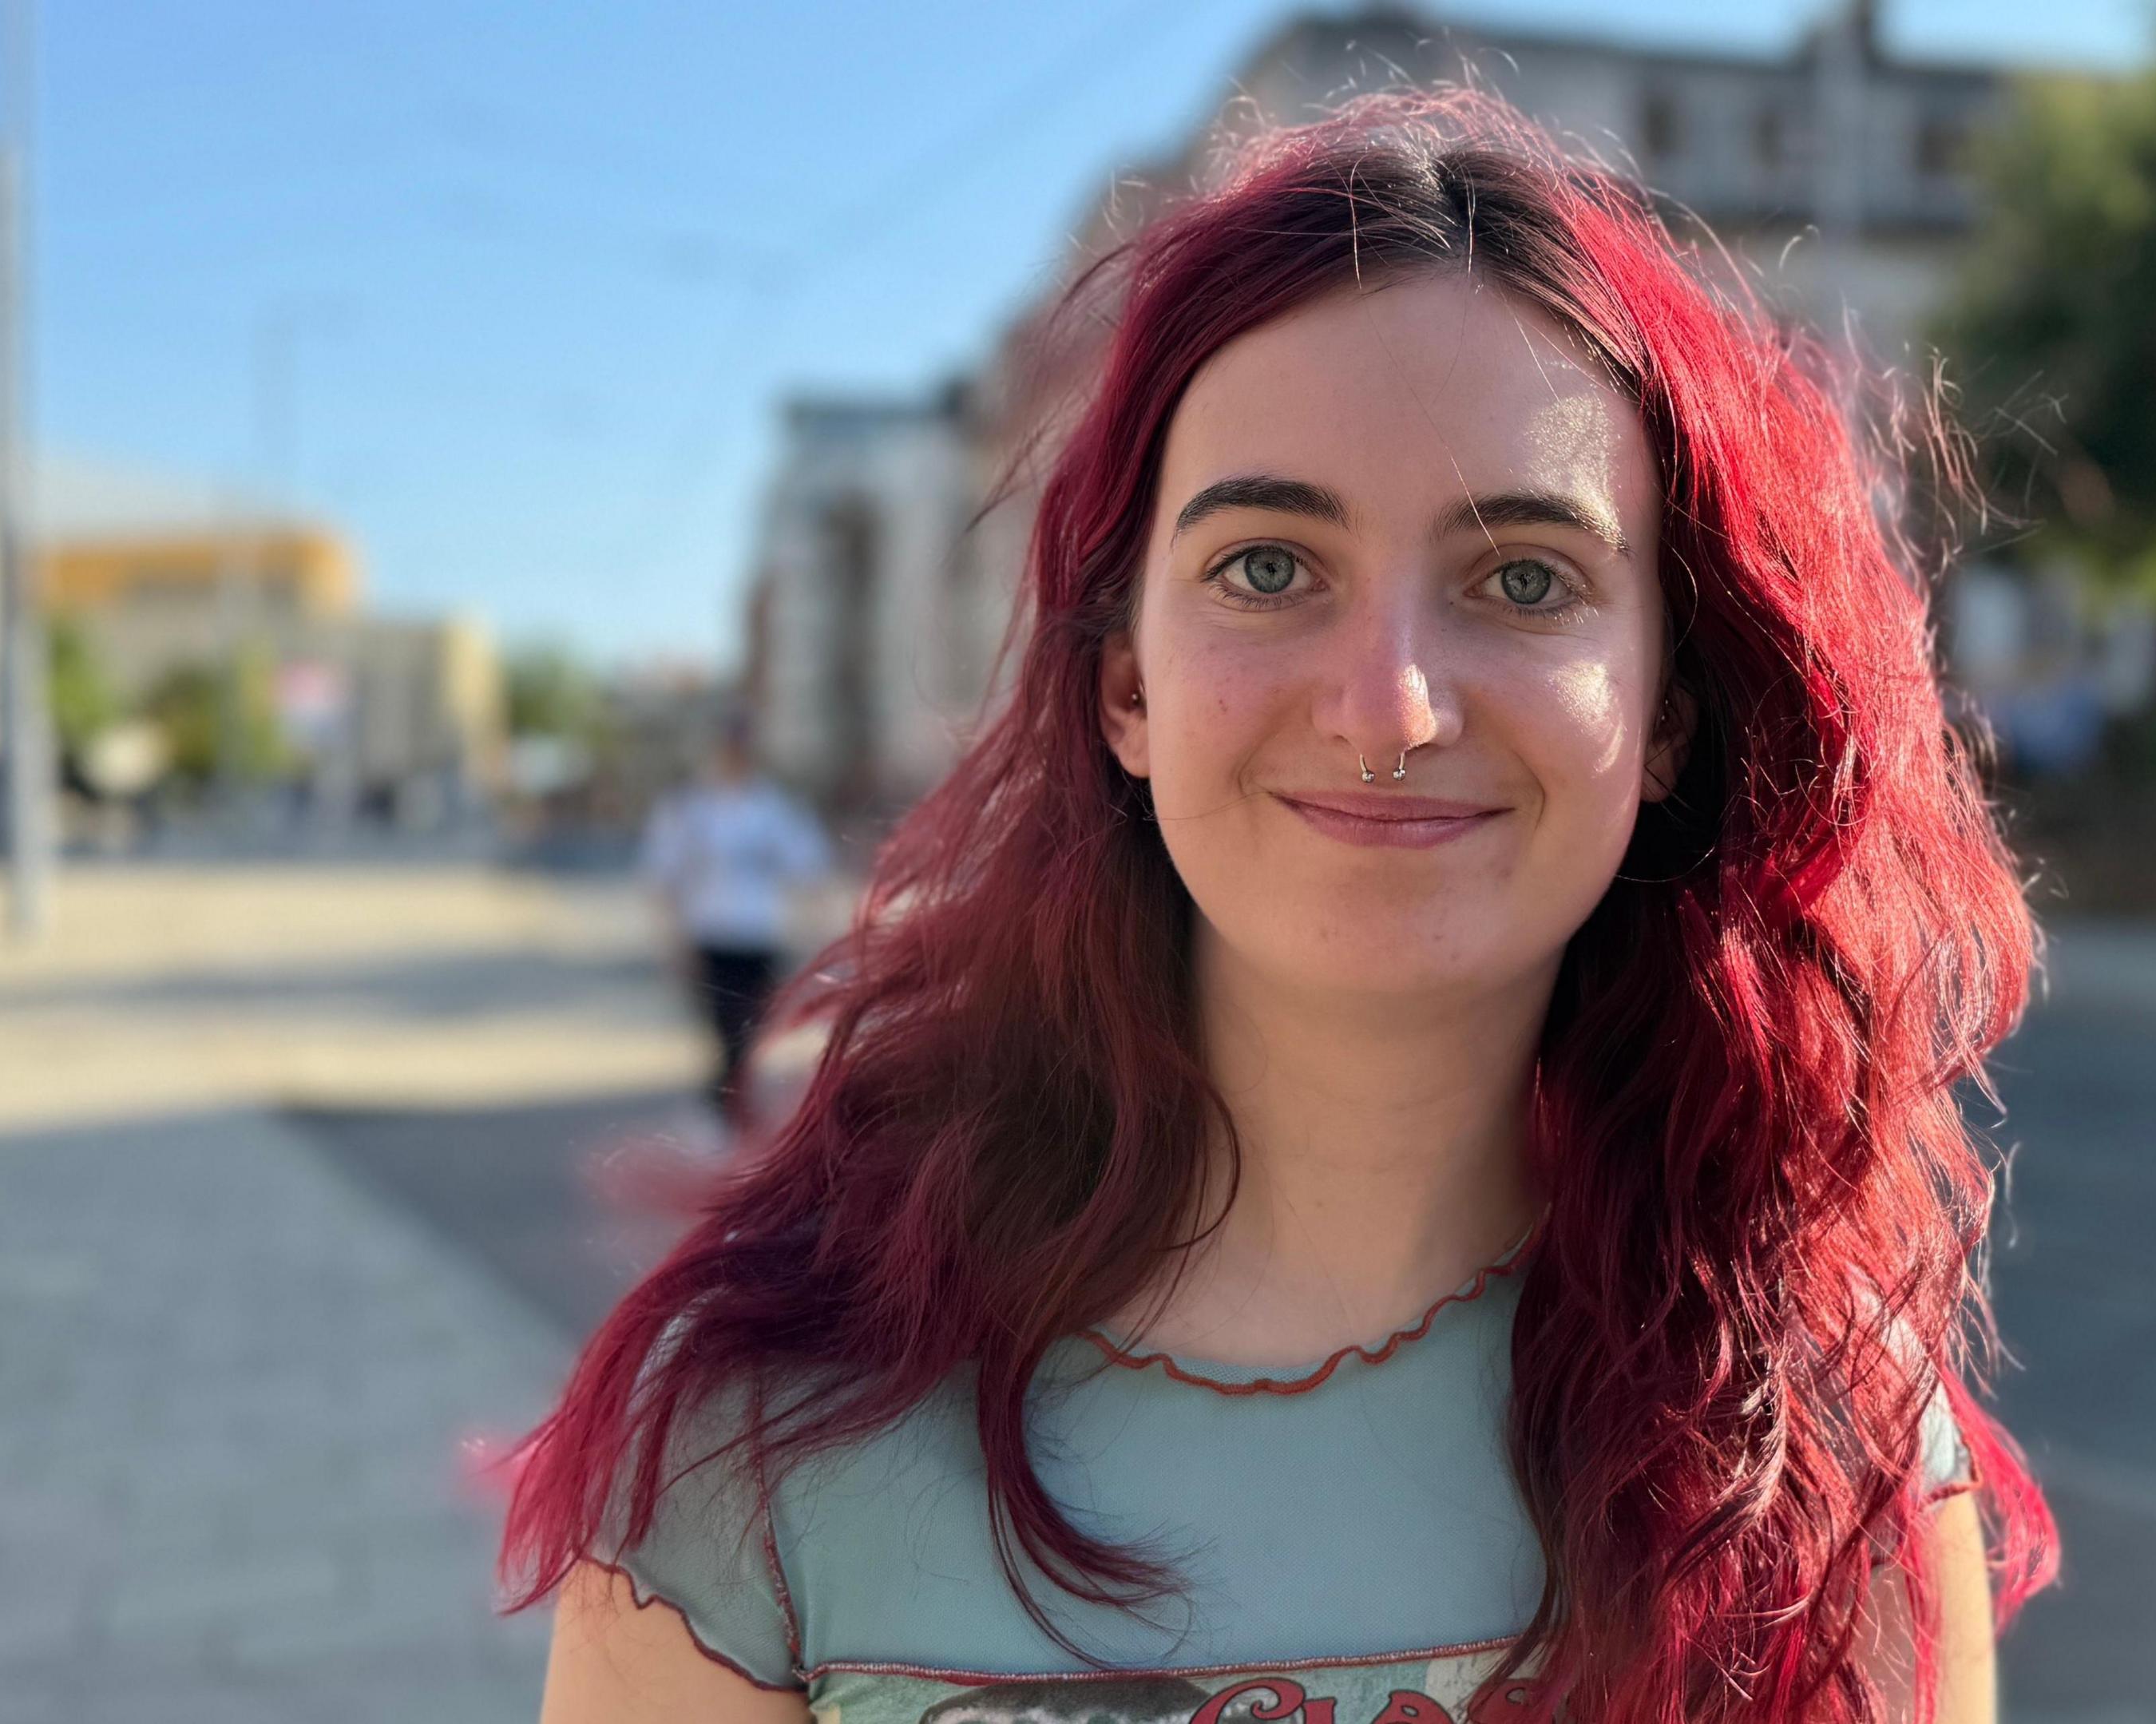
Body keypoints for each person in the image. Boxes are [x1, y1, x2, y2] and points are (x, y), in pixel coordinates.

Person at [514, 94, 2055, 1724]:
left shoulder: (1824, 1443)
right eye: (1267, 565)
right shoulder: (761, 1441)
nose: (1388, 705)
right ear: (1123, 685)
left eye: (1524, 577)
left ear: (1668, 710)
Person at [637, 719, 833, 1137]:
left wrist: (817, 928)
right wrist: (671, 941)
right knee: (724, 1028)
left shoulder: (771, 807)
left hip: (758, 937)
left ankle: (730, 1110)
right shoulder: (689, 809)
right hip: (710, 937)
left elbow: (807, 866)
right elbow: (663, 880)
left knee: (750, 1031)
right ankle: (724, 1112)